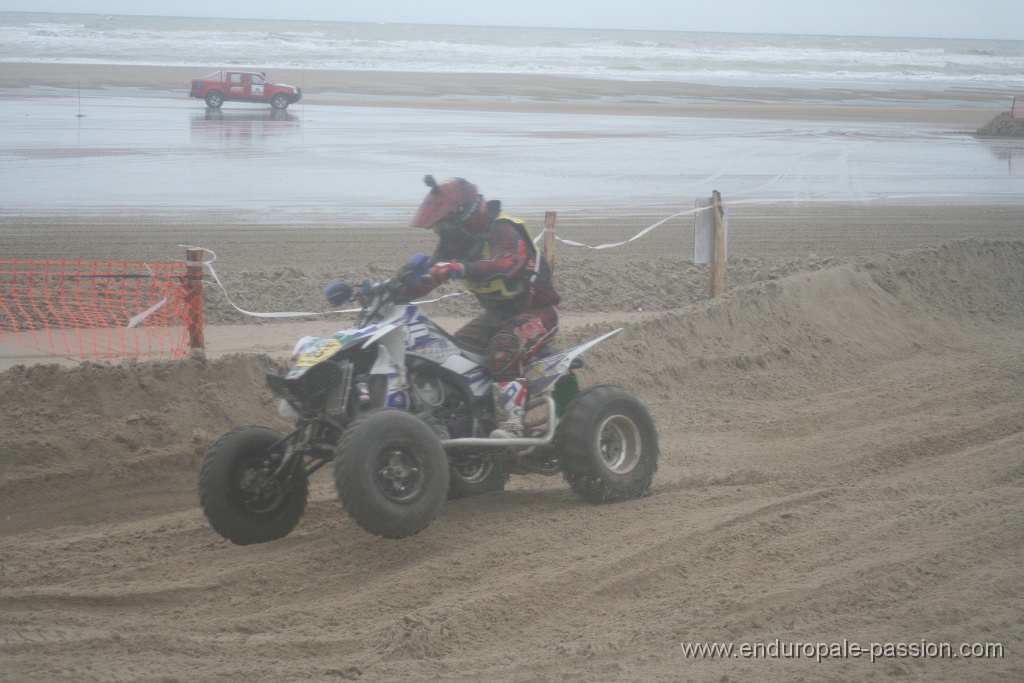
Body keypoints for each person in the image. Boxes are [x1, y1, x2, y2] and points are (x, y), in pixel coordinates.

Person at [407, 175, 560, 438]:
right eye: (440, 228)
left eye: (446, 225)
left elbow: (508, 263)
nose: (443, 233)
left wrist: (460, 267)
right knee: (449, 355)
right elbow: (428, 278)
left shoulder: (503, 229)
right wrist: (386, 289)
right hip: (496, 315)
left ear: (465, 216)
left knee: (503, 348)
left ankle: (512, 426)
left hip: (537, 312)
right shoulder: (455, 242)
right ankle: (467, 418)